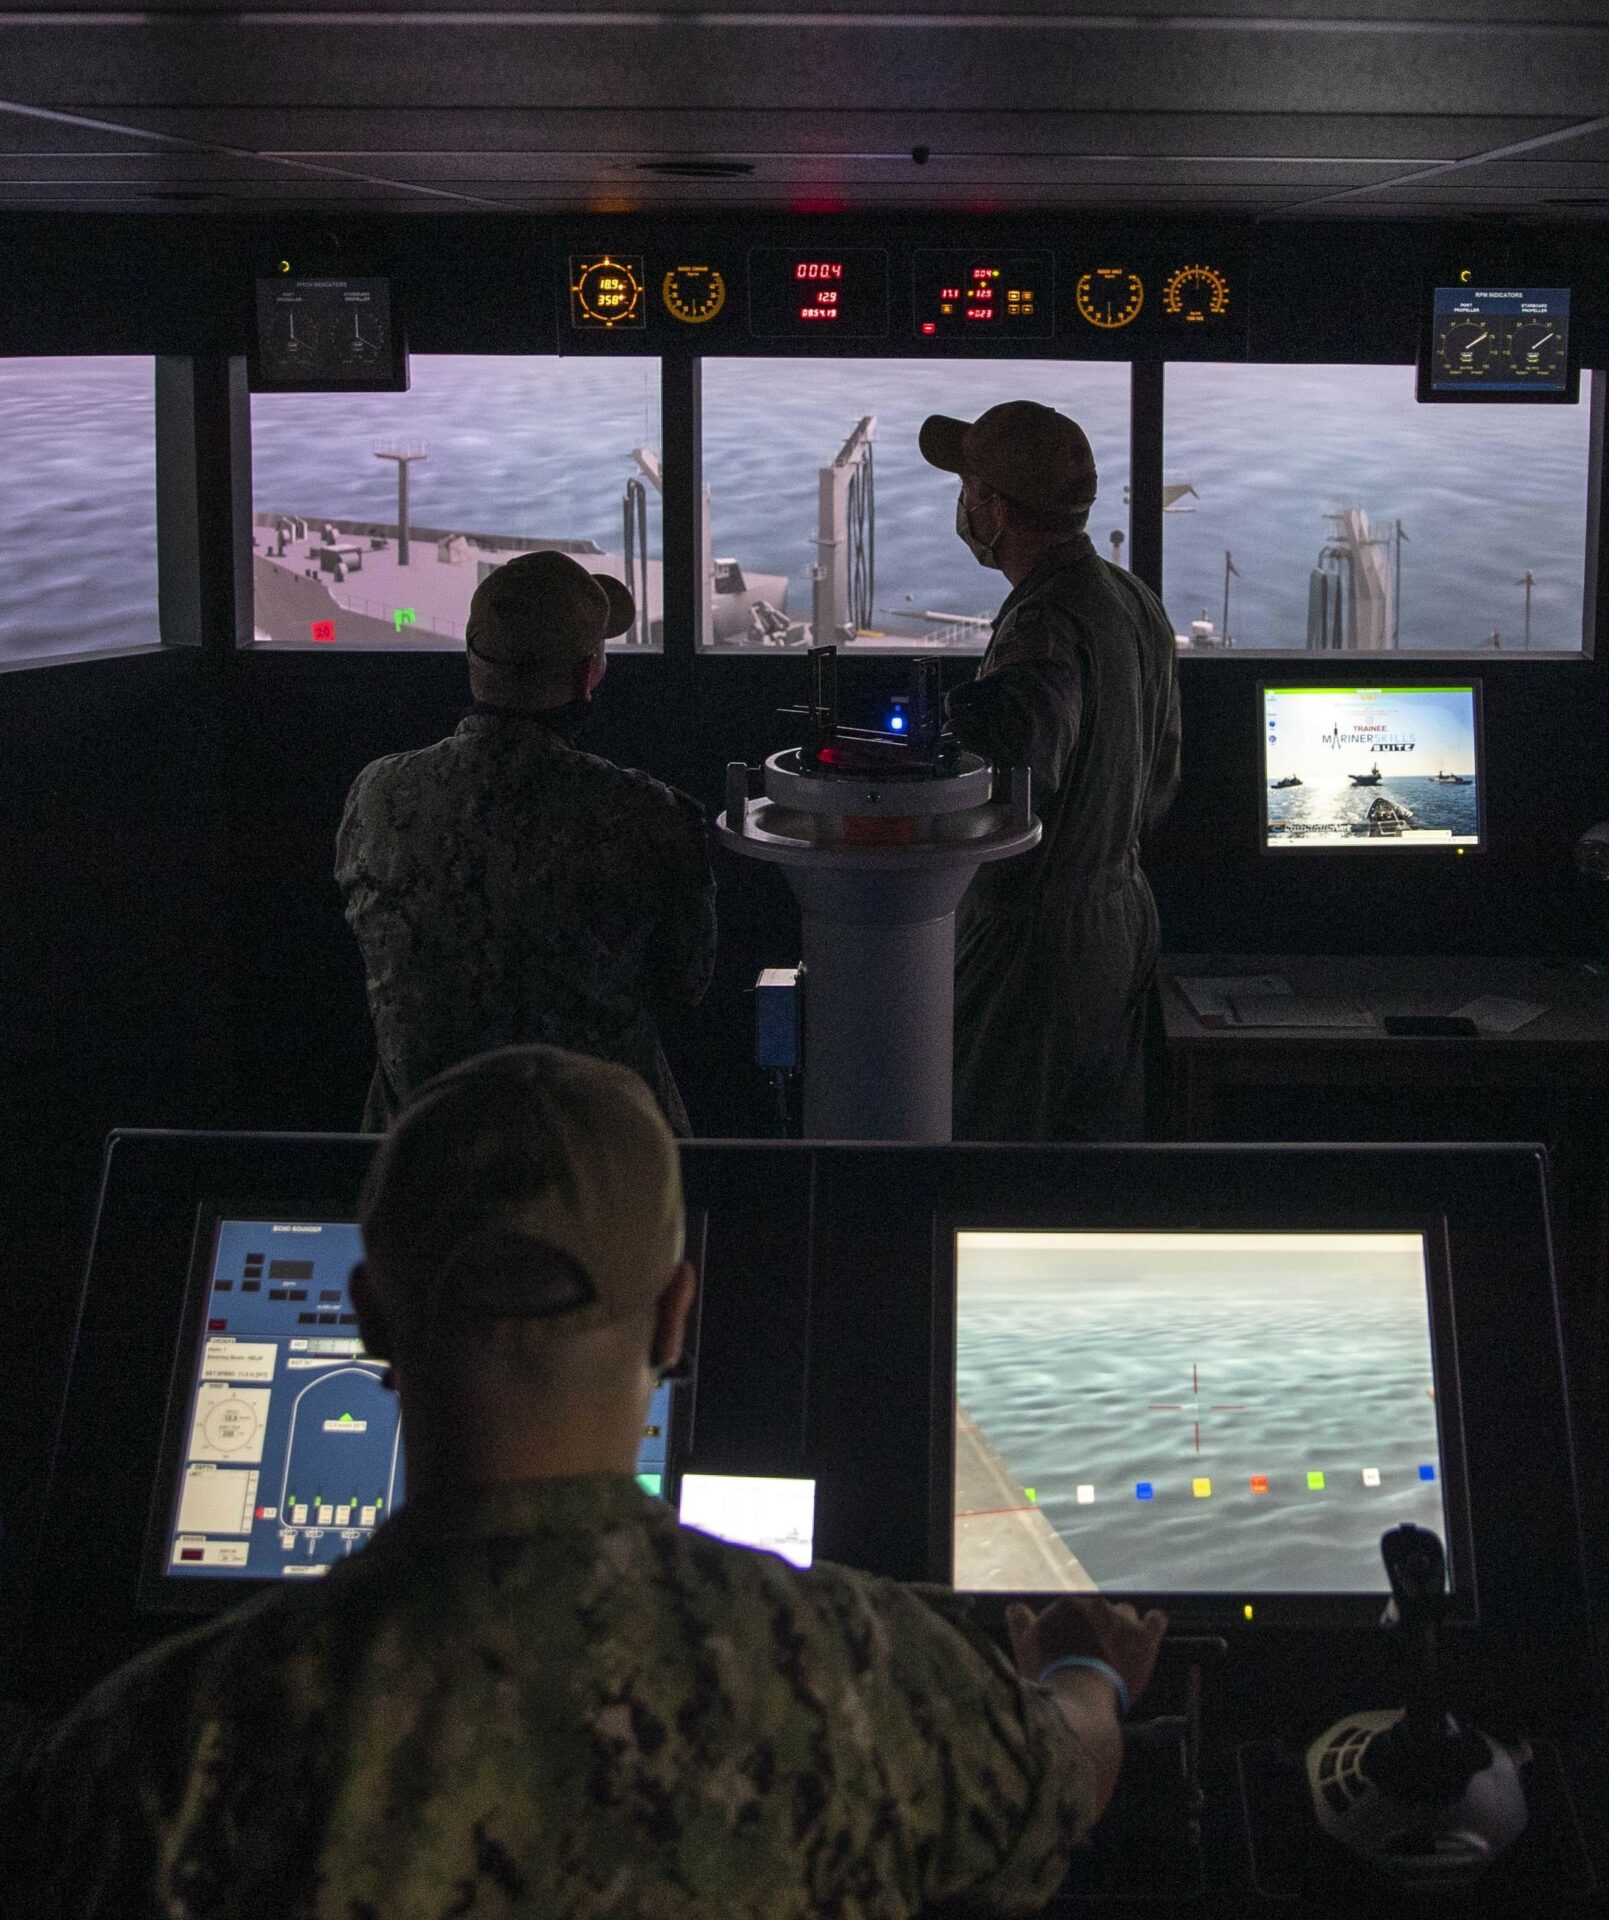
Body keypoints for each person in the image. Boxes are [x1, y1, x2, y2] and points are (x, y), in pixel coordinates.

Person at [1, 1044, 1167, 1916]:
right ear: (673, 1319)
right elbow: (1062, 1777)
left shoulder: (149, 1756)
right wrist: (1080, 1671)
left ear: (369, 1320)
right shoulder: (859, 1678)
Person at [336, 549, 716, 1132]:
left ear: (472, 659)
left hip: (418, 1158)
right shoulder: (648, 817)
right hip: (602, 1161)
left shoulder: (376, 798)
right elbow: (684, 985)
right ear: (588, 673)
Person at [921, 401, 1182, 1141]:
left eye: (969, 486)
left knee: (991, 1167)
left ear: (994, 505)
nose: (964, 503)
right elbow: (1160, 777)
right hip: (1122, 912)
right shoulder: (1132, 600)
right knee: (1093, 1166)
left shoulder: (1043, 623)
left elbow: (1012, 791)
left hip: (1037, 944)